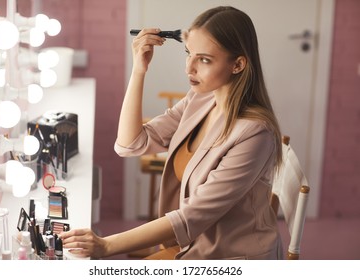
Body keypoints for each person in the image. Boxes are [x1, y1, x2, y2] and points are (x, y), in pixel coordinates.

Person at [60, 6, 283, 260]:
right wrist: (139, 70)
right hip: (191, 242)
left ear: (238, 64)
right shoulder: (201, 99)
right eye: (189, 53)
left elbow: (192, 215)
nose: (190, 68)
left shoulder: (255, 134)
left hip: (228, 256)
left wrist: (107, 245)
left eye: (205, 60)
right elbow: (130, 144)